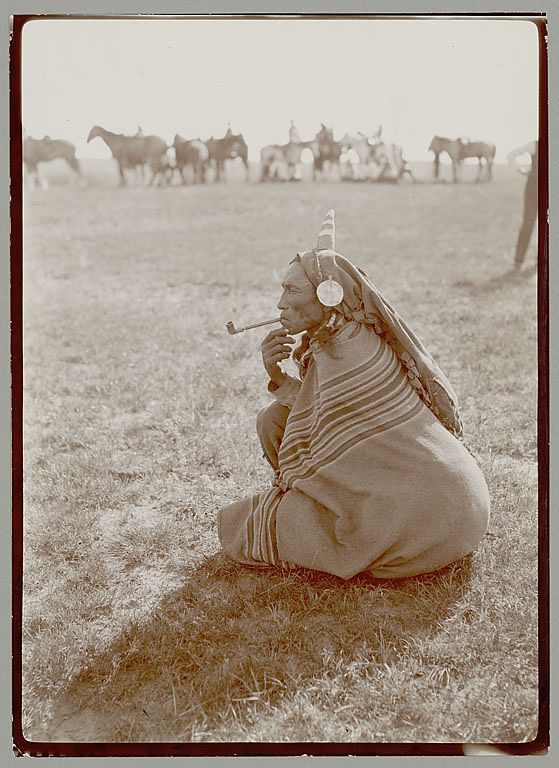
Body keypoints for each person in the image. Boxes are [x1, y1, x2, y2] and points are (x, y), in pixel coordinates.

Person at [218, 211, 490, 581]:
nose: (280, 303)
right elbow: (323, 416)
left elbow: (319, 431)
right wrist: (276, 374)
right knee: (271, 419)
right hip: (459, 508)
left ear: (328, 294)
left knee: (246, 523)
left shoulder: (346, 348)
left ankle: (323, 506)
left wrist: (295, 485)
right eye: (282, 289)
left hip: (440, 517)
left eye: (292, 290)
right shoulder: (342, 332)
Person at [507, 140, 538, 271]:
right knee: (528, 222)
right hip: (534, 187)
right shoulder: (535, 145)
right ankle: (518, 261)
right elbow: (511, 155)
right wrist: (521, 170)